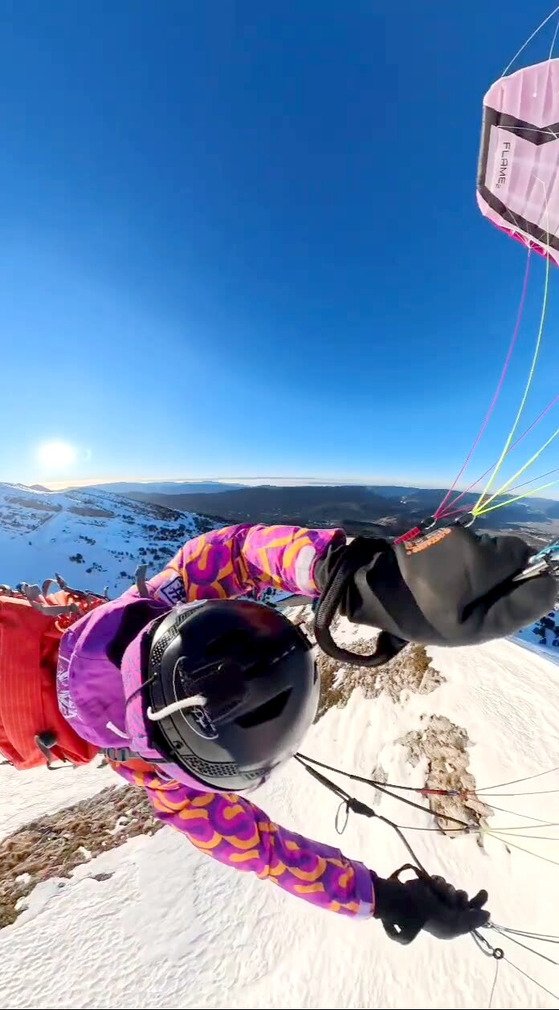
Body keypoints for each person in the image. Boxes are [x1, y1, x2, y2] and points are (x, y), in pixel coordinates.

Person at [3, 522, 556, 942]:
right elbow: (232, 553)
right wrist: (342, 574)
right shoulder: (155, 613)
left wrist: (385, 899)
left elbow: (263, 851)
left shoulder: (168, 781)